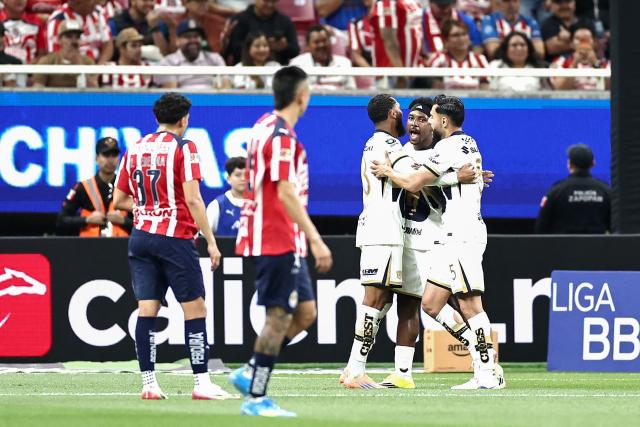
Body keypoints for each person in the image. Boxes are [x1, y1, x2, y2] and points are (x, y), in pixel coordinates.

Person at [370, 95, 505, 390]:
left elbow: (414, 181)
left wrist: (388, 172)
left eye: (429, 116)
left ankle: (487, 372)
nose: (426, 122)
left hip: (462, 233)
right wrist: (459, 177)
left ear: (443, 120)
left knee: (470, 305)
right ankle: (487, 364)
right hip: (449, 235)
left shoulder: (448, 146)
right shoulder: (467, 143)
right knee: (430, 304)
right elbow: (445, 175)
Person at [112, 93, 234, 401]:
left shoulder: (135, 147)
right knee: (195, 309)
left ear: (157, 118)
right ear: (183, 120)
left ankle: (149, 384)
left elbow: (119, 201)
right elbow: (193, 199)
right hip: (174, 237)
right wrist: (211, 240)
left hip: (140, 237)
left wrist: (150, 206)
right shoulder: (185, 147)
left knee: (147, 310)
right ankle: (202, 382)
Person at [229, 66, 333, 417]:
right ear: (302, 97)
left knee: (305, 313)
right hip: (276, 236)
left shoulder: (262, 124)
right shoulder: (282, 138)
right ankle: (256, 398)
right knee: (277, 316)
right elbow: (286, 193)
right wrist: (316, 240)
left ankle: (249, 371)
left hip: (280, 237)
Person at [57, 137, 132, 237]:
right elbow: (61, 220)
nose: (110, 160)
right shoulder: (82, 187)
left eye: (114, 155)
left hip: (121, 247)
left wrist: (124, 221)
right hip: (89, 247)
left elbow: (146, 222)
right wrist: (87, 220)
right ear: (97, 158)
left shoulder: (128, 187)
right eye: (106, 155)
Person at [535, 144, 610, 234]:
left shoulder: (556, 191)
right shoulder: (606, 190)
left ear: (569, 164)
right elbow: (616, 225)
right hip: (599, 247)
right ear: (593, 164)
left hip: (562, 247)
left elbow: (541, 227)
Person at [155, 19, 229, 89]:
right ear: (177, 40)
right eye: (188, 37)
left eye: (196, 36)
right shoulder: (168, 62)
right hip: (182, 101)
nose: (193, 40)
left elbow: (226, 90)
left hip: (212, 101)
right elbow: (171, 95)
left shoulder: (215, 59)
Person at [223, 0, 299, 65]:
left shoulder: (285, 21)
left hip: (277, 71)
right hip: (245, 68)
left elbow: (295, 51)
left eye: (274, 1)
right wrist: (259, 48)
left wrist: (284, 47)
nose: (270, 5)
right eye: (266, 1)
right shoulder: (239, 19)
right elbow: (233, 49)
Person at [370, 0, 423, 88]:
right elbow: (389, 40)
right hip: (393, 74)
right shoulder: (387, 3)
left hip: (413, 70)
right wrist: (400, 73)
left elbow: (416, 32)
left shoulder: (413, 2)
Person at [33, 20, 98, 88]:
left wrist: (80, 66)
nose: (74, 41)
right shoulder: (47, 61)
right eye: (69, 36)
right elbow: (37, 89)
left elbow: (94, 91)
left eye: (77, 37)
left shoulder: (88, 62)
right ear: (59, 40)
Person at [426, 20, 490, 90]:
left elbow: (485, 89)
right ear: (446, 40)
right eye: (456, 35)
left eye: (464, 34)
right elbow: (434, 91)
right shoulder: (439, 59)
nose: (461, 38)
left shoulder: (480, 59)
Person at [290, 25, 356, 90]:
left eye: (324, 41)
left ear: (330, 42)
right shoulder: (297, 64)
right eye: (316, 42)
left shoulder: (345, 63)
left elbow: (352, 91)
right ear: (308, 46)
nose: (321, 45)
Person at [47, 0, 114, 64]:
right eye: (91, 1)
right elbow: (55, 54)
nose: (96, 3)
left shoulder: (98, 13)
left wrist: (99, 68)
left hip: (97, 66)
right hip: (70, 68)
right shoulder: (58, 18)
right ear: (77, 2)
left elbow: (108, 44)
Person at [550, 21, 608, 90]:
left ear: (595, 42)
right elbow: (559, 89)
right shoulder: (560, 62)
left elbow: (610, 88)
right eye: (578, 39)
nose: (582, 42)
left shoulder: (605, 63)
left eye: (586, 39)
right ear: (571, 43)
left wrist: (595, 63)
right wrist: (574, 64)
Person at [108, 0, 175, 58]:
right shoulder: (115, 23)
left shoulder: (160, 23)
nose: (149, 4)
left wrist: (154, 27)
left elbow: (166, 56)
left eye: (152, 0)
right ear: (133, 1)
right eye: (144, 0)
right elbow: (112, 52)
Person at [205, 156, 246, 237]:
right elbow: (204, 239)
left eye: (246, 175)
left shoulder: (259, 204)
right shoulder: (217, 205)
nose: (243, 178)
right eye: (238, 175)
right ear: (228, 179)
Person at [0, 0, 47, 65]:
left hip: (29, 71)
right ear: (4, 1)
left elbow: (42, 55)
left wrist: (27, 67)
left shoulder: (37, 22)